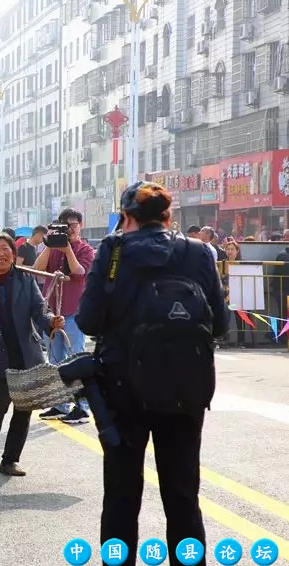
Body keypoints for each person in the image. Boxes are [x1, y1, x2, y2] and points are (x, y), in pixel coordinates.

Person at [75, 181, 228, 566]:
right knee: (182, 495)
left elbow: (90, 321)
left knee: (122, 497)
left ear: (126, 218)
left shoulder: (113, 251)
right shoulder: (198, 253)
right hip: (184, 389)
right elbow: (221, 324)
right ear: (168, 216)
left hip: (123, 391)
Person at [0, 233, 64, 476]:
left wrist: (51, 321)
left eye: (5, 248)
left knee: (23, 408)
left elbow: (40, 312)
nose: (1, 254)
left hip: (25, 356)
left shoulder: (25, 280)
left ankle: (10, 460)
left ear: (13, 252)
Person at [34, 208, 96, 424]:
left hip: (74, 313)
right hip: (52, 314)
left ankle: (82, 407)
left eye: (74, 225)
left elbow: (79, 273)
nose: (70, 229)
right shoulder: (53, 249)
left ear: (81, 225)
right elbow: (37, 269)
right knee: (55, 360)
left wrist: (68, 248)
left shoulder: (85, 249)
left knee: (74, 358)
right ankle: (60, 404)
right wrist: (51, 245)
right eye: (65, 226)